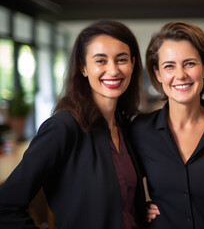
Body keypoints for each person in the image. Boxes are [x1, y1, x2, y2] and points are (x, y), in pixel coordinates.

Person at [0, 20, 146, 229]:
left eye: (121, 59)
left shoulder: (126, 127)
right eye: (100, 61)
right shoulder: (63, 127)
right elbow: (5, 206)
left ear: (132, 64)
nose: (113, 70)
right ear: (83, 68)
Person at [130, 21, 204, 229]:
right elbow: (121, 182)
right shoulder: (140, 130)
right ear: (157, 74)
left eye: (190, 63)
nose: (181, 75)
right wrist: (136, 207)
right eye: (169, 66)